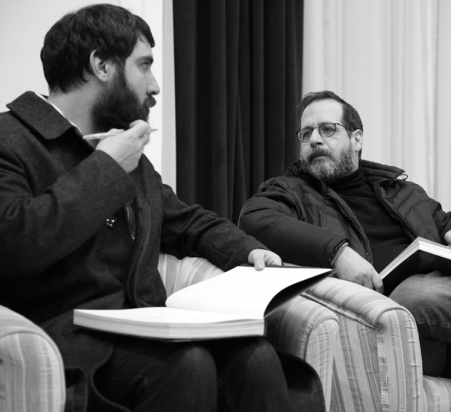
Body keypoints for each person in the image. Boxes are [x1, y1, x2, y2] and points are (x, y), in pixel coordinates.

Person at [0, 5, 323, 412]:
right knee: (187, 365)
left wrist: (250, 252)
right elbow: (16, 242)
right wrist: (107, 167)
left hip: (144, 329)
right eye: (144, 65)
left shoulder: (123, 152)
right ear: (101, 65)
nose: (154, 86)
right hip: (64, 343)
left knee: (255, 356)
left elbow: (185, 221)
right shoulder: (10, 140)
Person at [238, 90, 451, 412]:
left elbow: (444, 220)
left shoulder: (401, 190)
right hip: (392, 329)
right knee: (414, 293)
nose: (314, 139)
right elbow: (254, 219)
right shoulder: (289, 191)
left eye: (327, 129)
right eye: (306, 133)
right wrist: (338, 253)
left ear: (356, 138)